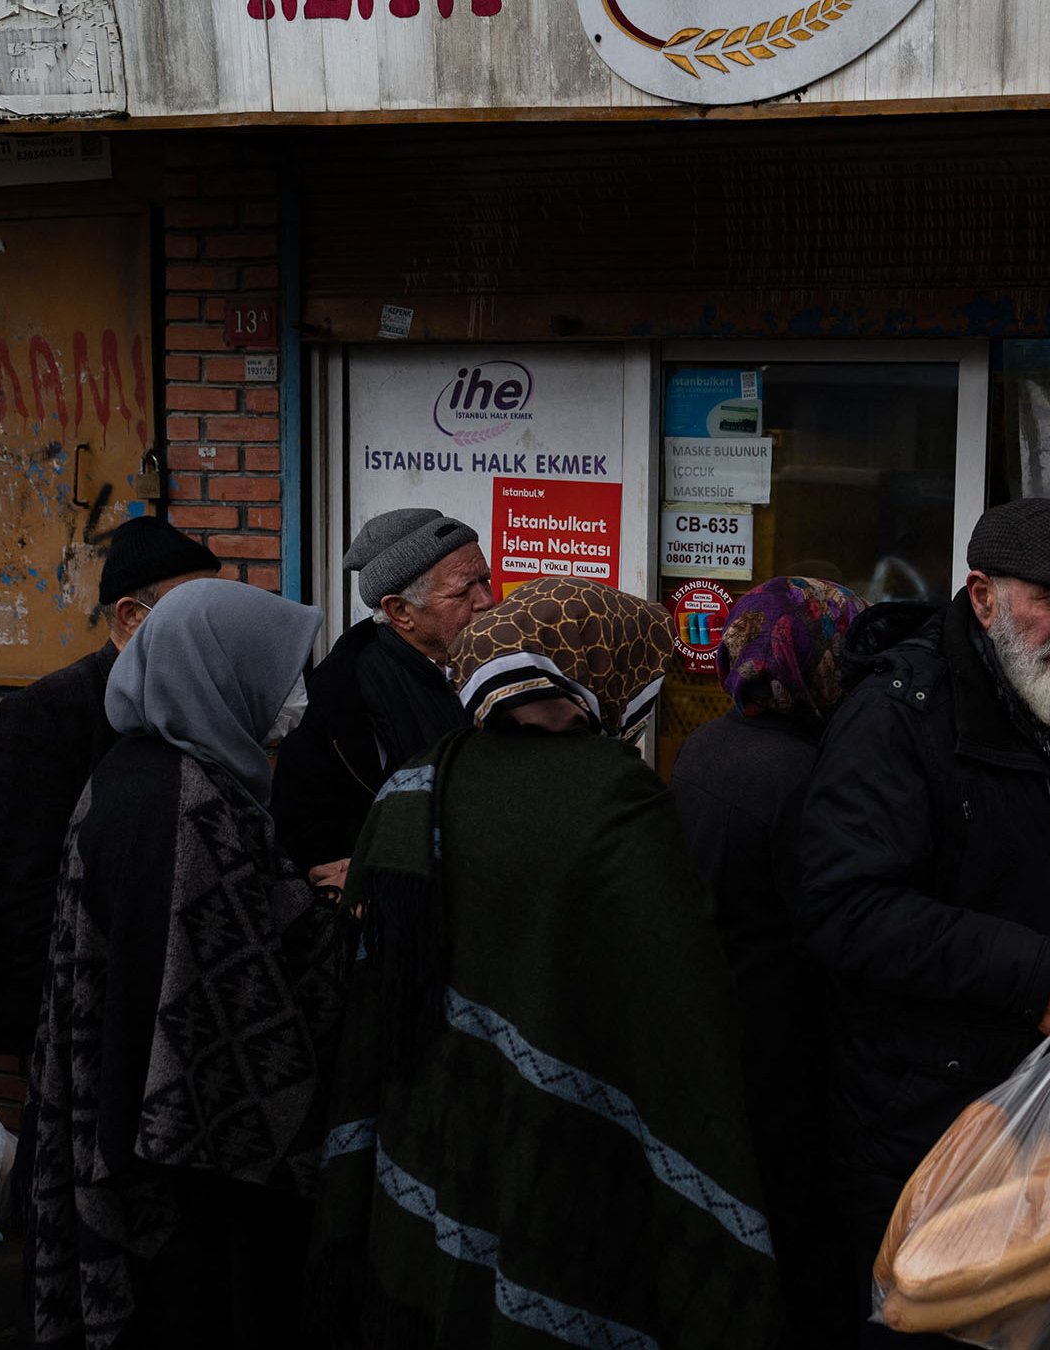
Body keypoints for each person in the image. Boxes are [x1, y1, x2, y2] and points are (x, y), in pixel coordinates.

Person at [313, 577, 782, 1350]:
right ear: (599, 671)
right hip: (568, 1147)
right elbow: (678, 1009)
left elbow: (368, 974)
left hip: (432, 1127)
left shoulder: (415, 781)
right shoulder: (615, 802)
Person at [794, 497, 1050, 1345]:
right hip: (918, 1122)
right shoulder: (897, 716)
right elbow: (845, 907)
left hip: (1043, 1107)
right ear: (981, 597)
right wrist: (1032, 976)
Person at [29, 579, 344, 1350]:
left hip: (139, 1136)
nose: (296, 695)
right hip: (185, 1182)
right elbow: (228, 1010)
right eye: (281, 671)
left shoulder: (144, 770)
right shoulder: (187, 801)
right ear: (218, 671)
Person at [670, 576, 869, 1345]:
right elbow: (833, 924)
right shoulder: (804, 774)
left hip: (721, 1021)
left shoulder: (710, 742)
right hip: (787, 1042)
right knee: (802, 1244)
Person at [0, 517, 222, 1058]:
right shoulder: (44, 714)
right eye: (190, 607)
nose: (208, 626)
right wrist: (81, 1011)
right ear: (130, 617)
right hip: (70, 1019)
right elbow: (14, 885)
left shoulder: (189, 704)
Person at [271, 508, 491, 886]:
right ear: (400, 611)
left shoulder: (505, 657)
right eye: (462, 592)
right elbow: (307, 828)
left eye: (485, 580)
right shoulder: (341, 697)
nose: (486, 600)